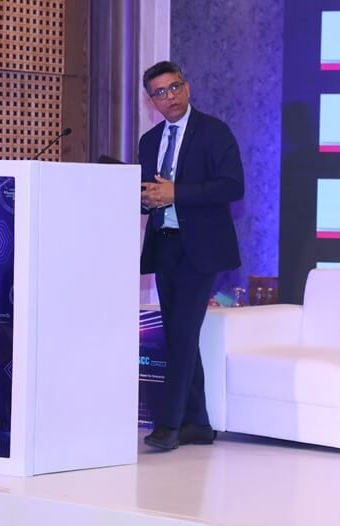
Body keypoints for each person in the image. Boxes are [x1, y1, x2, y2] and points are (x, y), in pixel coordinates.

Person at [139, 60, 244, 451]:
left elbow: (232, 186)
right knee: (178, 332)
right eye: (160, 92)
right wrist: (145, 197)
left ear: (187, 87)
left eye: (175, 87)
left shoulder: (214, 132)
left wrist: (176, 193)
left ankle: (168, 424)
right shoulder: (149, 141)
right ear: (151, 101)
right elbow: (150, 193)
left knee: (181, 334)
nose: (170, 96)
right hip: (164, 244)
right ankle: (198, 423)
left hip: (201, 247)